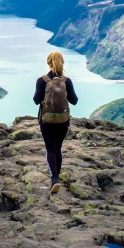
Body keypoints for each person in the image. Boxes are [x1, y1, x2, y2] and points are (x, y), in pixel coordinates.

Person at [33, 51, 78, 194]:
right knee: (57, 148)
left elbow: (35, 100)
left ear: (48, 63)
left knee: (50, 149)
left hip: (46, 120)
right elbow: (74, 101)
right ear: (62, 63)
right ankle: (56, 177)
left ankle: (55, 178)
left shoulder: (42, 80)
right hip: (63, 120)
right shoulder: (67, 81)